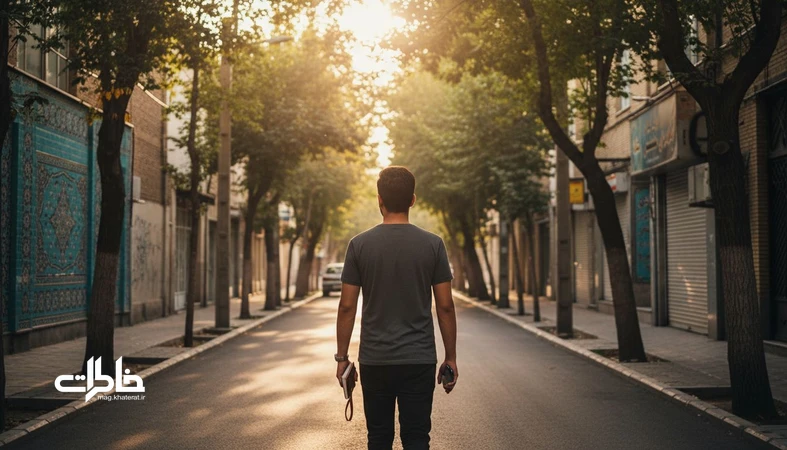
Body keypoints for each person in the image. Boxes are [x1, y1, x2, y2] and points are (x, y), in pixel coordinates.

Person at [335, 166, 458, 450]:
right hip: (419, 360)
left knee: (378, 438)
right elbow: (445, 306)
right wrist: (450, 357)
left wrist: (342, 358)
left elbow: (346, 307)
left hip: (375, 359)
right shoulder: (433, 245)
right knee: (416, 438)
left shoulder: (359, 245)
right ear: (412, 200)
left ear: (379, 199)